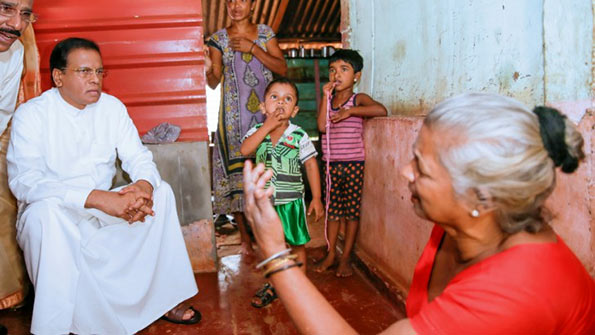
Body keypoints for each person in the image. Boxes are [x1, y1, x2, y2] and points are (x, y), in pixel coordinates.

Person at [242, 93, 595, 334]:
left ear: (482, 197)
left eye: (422, 169)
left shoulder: (519, 288)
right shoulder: (458, 224)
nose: (405, 172)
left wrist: (275, 253)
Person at [7, 37, 201, 334]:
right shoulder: (32, 115)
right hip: (57, 213)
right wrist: (95, 198)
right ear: (58, 77)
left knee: (162, 193)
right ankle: (56, 326)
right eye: (84, 72)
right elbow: (26, 183)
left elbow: (138, 157)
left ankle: (163, 301)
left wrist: (144, 187)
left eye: (99, 72)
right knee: (43, 214)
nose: (95, 79)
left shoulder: (112, 108)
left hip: (104, 208)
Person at [205, 0, 287, 257]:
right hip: (233, 121)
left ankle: (270, 235)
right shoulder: (218, 39)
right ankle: (244, 238)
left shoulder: (265, 34)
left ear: (251, 4)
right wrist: (208, 69)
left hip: (267, 119)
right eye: (230, 1)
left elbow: (282, 68)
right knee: (237, 178)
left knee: (270, 174)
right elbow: (214, 82)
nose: (235, 5)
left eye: (241, 0)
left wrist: (254, 49)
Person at [240, 78, 323, 308]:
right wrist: (266, 126)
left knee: (296, 245)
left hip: (292, 202)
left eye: (287, 99)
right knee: (271, 247)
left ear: (294, 110)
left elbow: (310, 165)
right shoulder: (256, 131)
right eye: (274, 97)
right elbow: (245, 149)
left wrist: (316, 198)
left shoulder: (299, 135)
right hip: (265, 203)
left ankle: (301, 288)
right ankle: (275, 285)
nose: (280, 103)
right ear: (263, 107)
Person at [315, 49, 387, 277]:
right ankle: (331, 254)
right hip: (331, 165)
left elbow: (381, 110)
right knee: (333, 213)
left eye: (344, 69)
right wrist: (325, 98)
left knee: (351, 214)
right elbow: (321, 127)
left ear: (357, 76)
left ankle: (346, 258)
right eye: (333, 70)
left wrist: (351, 112)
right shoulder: (328, 100)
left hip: (354, 164)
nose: (337, 74)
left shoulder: (358, 98)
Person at [0, 0, 35, 313]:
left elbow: (2, 110)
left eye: (25, 14)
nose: (15, 24)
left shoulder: (15, 52)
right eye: (5, 9)